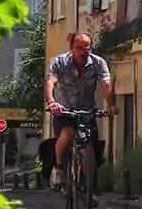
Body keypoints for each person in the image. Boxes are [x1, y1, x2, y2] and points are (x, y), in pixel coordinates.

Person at [44, 32, 117, 190]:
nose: (84, 51)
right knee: (68, 134)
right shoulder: (61, 62)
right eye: (79, 48)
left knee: (94, 148)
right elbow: (51, 82)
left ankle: (87, 186)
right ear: (71, 49)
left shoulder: (98, 63)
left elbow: (106, 84)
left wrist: (111, 104)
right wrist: (52, 102)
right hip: (64, 111)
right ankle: (59, 169)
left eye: (87, 48)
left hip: (87, 111)